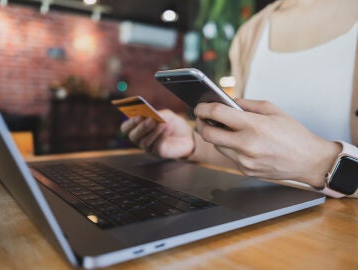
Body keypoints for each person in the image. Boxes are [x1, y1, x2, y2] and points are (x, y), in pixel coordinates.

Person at [121, 0, 358, 198]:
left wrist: (319, 163)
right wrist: (194, 145)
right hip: (267, 227)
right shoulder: (251, 33)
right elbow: (253, 154)